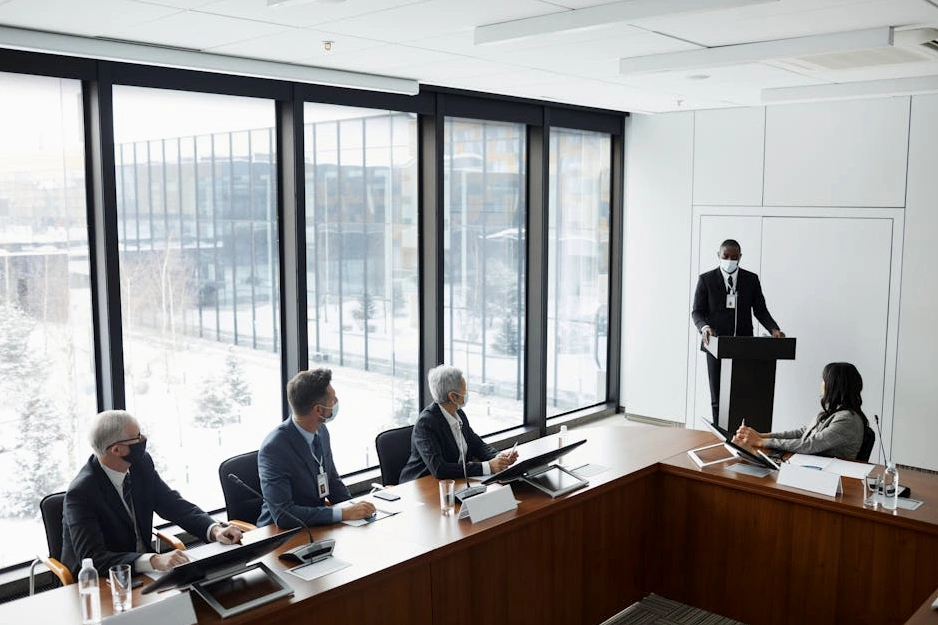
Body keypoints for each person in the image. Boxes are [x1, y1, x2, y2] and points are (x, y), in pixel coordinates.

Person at [61, 410, 243, 578]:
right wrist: (154, 560)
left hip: (146, 572)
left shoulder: (141, 464)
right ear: (117, 450)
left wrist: (214, 529)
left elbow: (172, 504)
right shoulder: (81, 493)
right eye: (137, 437)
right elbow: (94, 558)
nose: (144, 439)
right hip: (102, 580)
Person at [257, 368, 375, 527]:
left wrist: (357, 510)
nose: (336, 402)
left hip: (317, 524)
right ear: (318, 410)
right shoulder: (274, 449)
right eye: (332, 399)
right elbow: (284, 515)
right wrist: (344, 513)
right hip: (282, 533)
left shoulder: (321, 431)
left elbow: (332, 481)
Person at [691, 239, 785, 422]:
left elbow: (760, 310)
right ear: (718, 255)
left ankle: (740, 434)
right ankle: (720, 433)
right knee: (718, 397)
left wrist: (774, 329)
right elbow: (697, 312)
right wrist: (705, 327)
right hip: (716, 346)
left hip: (744, 347)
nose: (730, 260)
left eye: (734, 257)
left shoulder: (751, 280)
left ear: (740, 257)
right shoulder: (706, 280)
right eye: (725, 256)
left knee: (742, 395)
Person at [399, 364, 518, 482]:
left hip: (454, 481)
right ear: (453, 397)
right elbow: (439, 468)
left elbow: (477, 445)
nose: (467, 393)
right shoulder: (426, 423)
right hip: (420, 484)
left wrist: (499, 457)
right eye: (465, 389)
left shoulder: (458, 413)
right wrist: (488, 467)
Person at [734, 362, 868, 459]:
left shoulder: (848, 419)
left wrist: (761, 442)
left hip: (830, 476)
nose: (821, 384)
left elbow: (811, 444)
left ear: (834, 385)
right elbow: (803, 433)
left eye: (824, 380)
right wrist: (763, 436)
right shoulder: (832, 412)